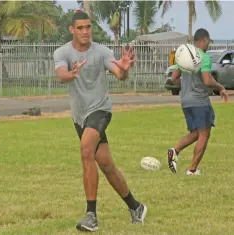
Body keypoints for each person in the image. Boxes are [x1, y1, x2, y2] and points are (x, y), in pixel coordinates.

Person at [53, 10, 147, 232]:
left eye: (88, 27)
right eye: (80, 28)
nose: (85, 31)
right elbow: (61, 75)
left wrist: (124, 69)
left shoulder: (102, 51)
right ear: (72, 30)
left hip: (101, 110)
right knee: (106, 165)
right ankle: (136, 207)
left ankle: (91, 216)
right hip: (80, 115)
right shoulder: (62, 52)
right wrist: (71, 73)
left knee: (86, 150)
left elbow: (119, 74)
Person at [167, 28, 228, 175]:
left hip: (185, 101)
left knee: (195, 133)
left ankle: (174, 150)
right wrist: (220, 87)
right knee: (204, 134)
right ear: (205, 40)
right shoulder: (204, 57)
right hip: (200, 101)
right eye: (208, 42)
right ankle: (192, 170)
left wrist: (186, 88)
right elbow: (207, 80)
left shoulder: (184, 55)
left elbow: (174, 78)